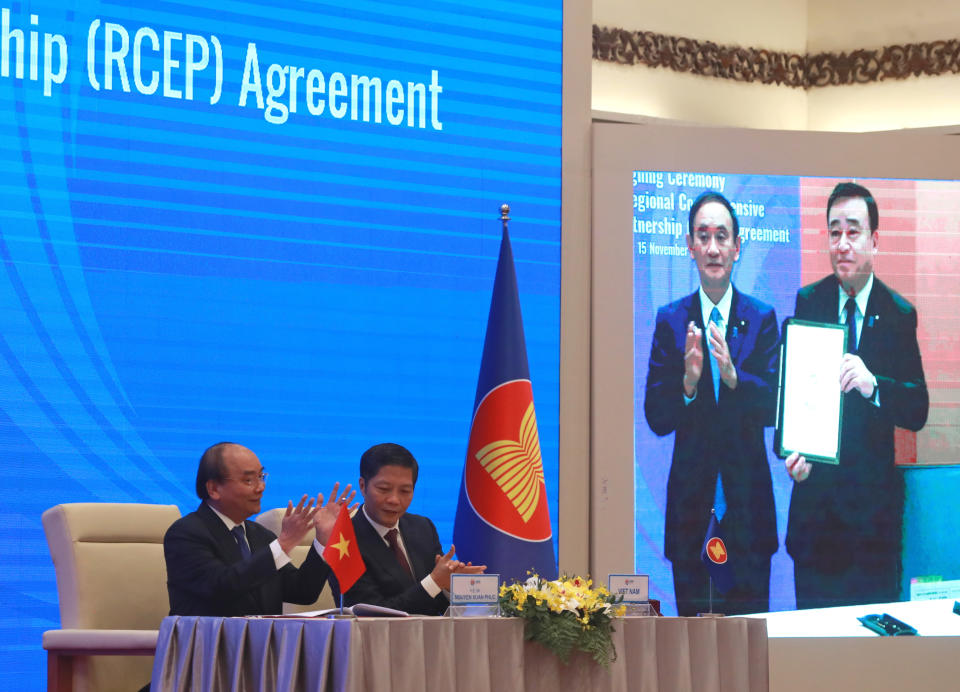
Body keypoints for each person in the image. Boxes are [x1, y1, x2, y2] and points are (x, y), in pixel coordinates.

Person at [784, 182, 928, 609]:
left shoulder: (899, 313)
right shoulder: (808, 301)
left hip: (871, 528)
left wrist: (873, 385)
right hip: (815, 519)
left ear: (875, 240)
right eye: (834, 232)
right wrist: (793, 454)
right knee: (811, 656)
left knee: (869, 661)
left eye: (853, 231)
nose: (842, 244)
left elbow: (917, 408)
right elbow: (793, 393)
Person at [644, 191, 779, 616]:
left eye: (723, 237)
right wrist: (688, 381)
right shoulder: (671, 321)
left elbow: (775, 406)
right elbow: (657, 417)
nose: (714, 248)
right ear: (689, 246)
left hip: (748, 516)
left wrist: (734, 378)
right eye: (704, 237)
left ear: (738, 247)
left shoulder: (761, 318)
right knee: (692, 653)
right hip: (691, 515)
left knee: (749, 651)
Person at [164, 441, 355, 616]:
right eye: (249, 480)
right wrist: (284, 543)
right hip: (207, 647)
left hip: (262, 649)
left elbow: (302, 592)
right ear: (214, 489)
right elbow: (222, 587)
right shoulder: (186, 533)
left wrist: (322, 540)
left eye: (261, 476)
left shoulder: (260, 535)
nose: (261, 487)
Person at [334, 442, 485, 615]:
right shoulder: (342, 540)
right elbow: (368, 613)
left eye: (405, 491)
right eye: (384, 489)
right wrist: (435, 581)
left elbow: (436, 606)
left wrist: (449, 585)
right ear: (362, 486)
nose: (394, 500)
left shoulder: (423, 528)